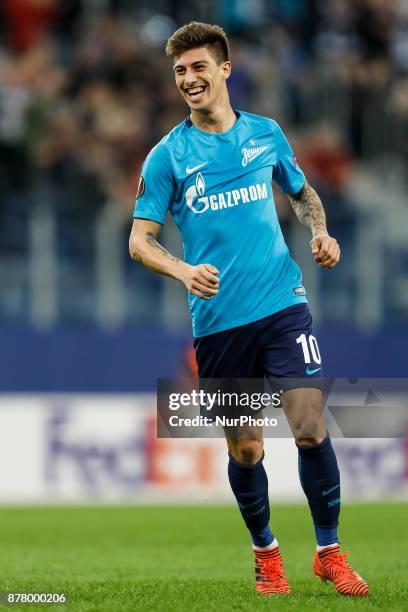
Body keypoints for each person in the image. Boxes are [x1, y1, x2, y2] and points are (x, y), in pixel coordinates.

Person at [129, 22, 368, 598]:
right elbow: (140, 240)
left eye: (197, 67)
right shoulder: (167, 156)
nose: (188, 79)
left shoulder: (266, 133)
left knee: (310, 425)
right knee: (247, 447)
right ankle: (267, 554)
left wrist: (322, 230)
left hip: (283, 304)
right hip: (218, 323)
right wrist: (184, 270)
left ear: (224, 69)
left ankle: (330, 552)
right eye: (180, 71)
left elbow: (302, 191)